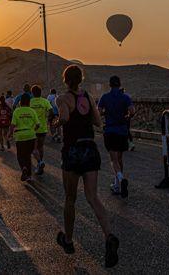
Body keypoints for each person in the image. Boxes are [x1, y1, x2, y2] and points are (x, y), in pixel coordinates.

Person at [55, 65, 119, 268]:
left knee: (70, 199)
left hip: (72, 151)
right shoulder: (89, 98)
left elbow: (64, 118)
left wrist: (57, 123)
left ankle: (68, 240)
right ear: (80, 79)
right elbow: (98, 122)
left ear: (66, 80)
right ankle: (109, 236)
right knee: (93, 197)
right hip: (90, 148)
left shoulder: (62, 99)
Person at [98, 75, 134, 197]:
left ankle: (120, 179)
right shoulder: (125, 97)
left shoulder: (105, 97)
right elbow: (132, 111)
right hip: (122, 131)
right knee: (119, 158)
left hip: (110, 130)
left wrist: (105, 113)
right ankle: (117, 184)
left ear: (110, 84)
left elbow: (99, 112)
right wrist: (127, 117)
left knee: (113, 159)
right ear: (119, 84)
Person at [12, 93, 41, 181]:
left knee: (20, 155)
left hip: (20, 136)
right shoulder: (32, 111)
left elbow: (13, 125)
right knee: (28, 155)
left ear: (20, 102)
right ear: (29, 102)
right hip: (31, 135)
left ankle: (23, 168)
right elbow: (38, 124)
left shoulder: (17, 111)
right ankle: (29, 176)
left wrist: (9, 134)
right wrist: (33, 130)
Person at [30, 85, 53, 176]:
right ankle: (40, 163)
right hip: (43, 127)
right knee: (41, 147)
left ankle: (39, 163)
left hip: (33, 128)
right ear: (40, 92)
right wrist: (47, 118)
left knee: (33, 148)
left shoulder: (30, 102)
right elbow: (51, 111)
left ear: (32, 93)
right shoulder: (45, 101)